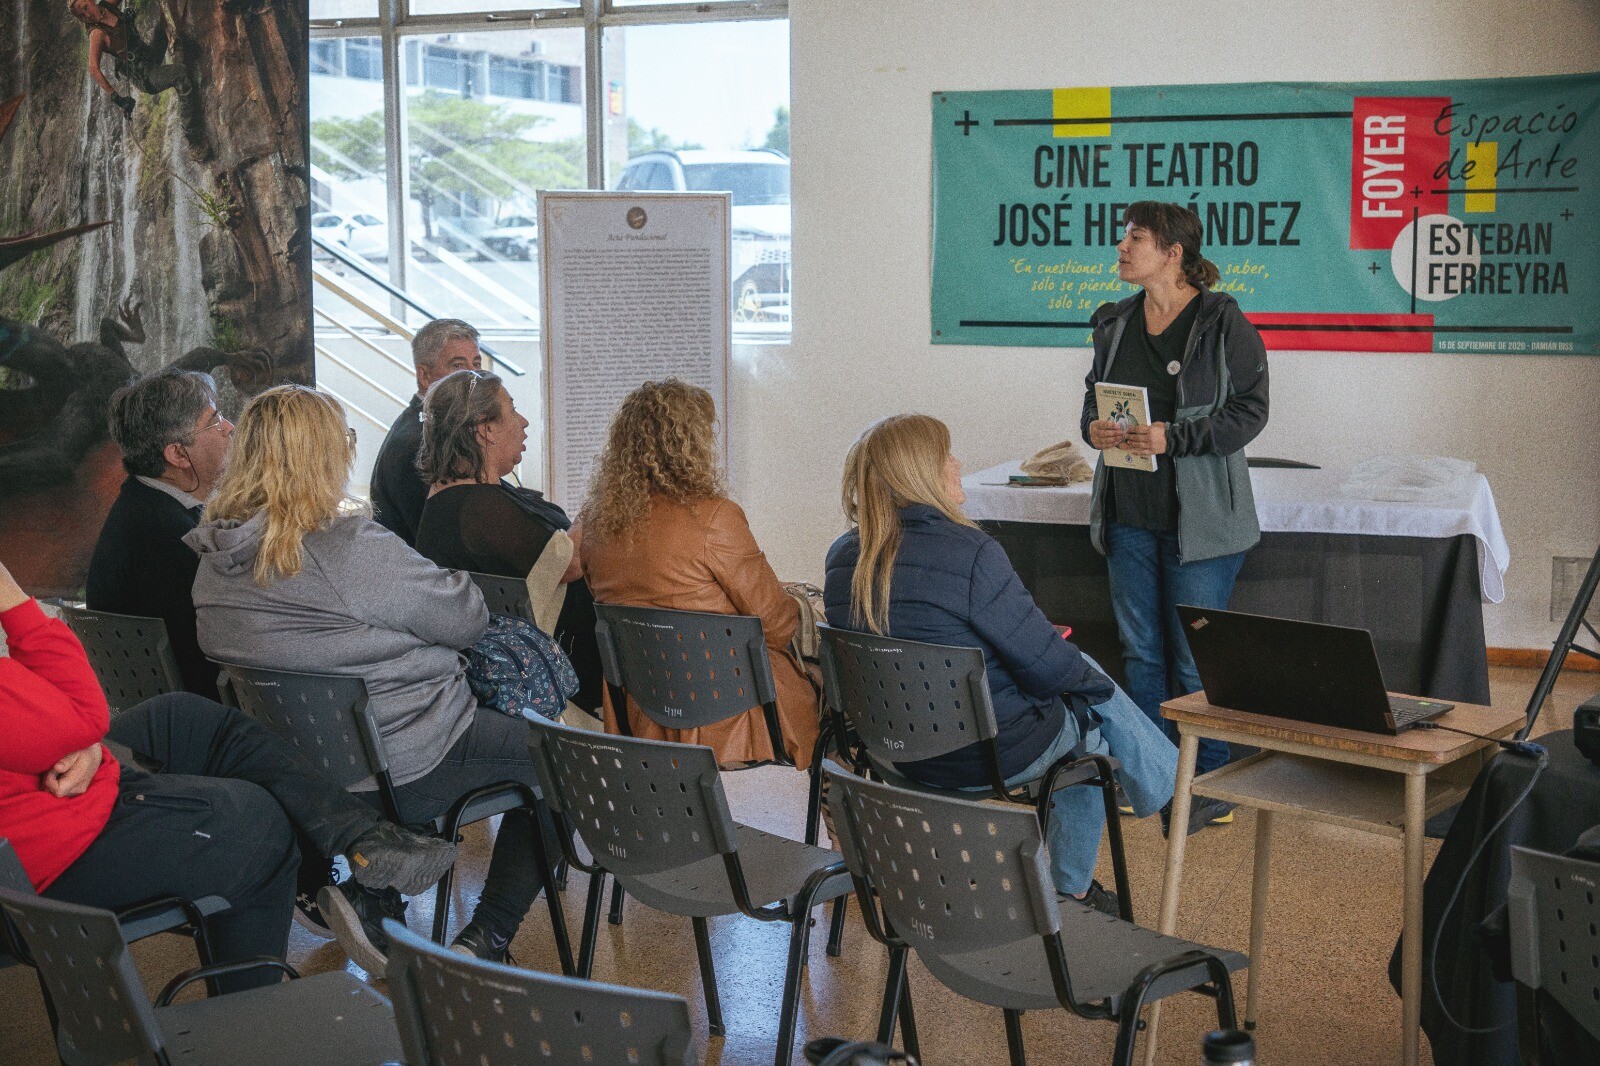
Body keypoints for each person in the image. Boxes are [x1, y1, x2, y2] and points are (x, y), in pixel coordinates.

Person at [186, 385, 553, 968]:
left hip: (304, 773)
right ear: (325, 456)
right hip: (411, 757)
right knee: (569, 762)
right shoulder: (350, 548)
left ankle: (377, 901)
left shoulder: (214, 565)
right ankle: (487, 936)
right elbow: (466, 617)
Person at [0, 554, 457, 991]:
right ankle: (241, 1025)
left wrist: (85, 741)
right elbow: (84, 713)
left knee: (185, 719)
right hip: (37, 862)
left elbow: (65, 720)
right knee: (259, 827)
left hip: (41, 794)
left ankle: (357, 842)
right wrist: (14, 600)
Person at [822, 414, 1178, 913]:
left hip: (892, 752)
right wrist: (1074, 675)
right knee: (1089, 722)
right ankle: (1074, 885)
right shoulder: (972, 553)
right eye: (947, 456)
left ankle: (1167, 784)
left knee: (1081, 677)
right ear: (921, 472)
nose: (958, 464)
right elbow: (1049, 671)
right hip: (986, 756)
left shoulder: (843, 559)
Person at [1080, 202, 1269, 833]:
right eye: (1124, 235)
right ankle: (1154, 775)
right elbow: (1092, 400)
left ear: (1173, 253)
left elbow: (1250, 412)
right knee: (1141, 654)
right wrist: (1095, 427)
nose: (1122, 246)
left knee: (1196, 658)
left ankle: (1209, 785)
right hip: (1129, 512)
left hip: (1203, 521)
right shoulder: (1113, 321)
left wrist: (1175, 439)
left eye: (1135, 237)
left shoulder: (1223, 321)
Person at [579, 378, 821, 769]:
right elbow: (778, 627)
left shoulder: (595, 526)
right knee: (838, 697)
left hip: (645, 714)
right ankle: (842, 818)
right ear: (691, 444)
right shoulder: (714, 517)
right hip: (734, 711)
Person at [412, 369, 602, 712]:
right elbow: (570, 563)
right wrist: (607, 489)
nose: (524, 421)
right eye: (512, 410)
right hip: (549, 675)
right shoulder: (477, 508)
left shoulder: (465, 498)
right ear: (485, 429)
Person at [86, 368, 232, 699]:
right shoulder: (169, 536)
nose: (229, 427)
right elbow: (212, 660)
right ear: (178, 455)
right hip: (200, 723)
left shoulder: (143, 503)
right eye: (215, 420)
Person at [371, 319, 483, 547]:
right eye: (459, 366)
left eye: (477, 364)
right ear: (424, 375)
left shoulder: (440, 428)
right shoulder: (418, 442)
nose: (474, 377)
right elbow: (442, 538)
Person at [70, 0, 192, 120]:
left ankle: (191, 46)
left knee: (165, 19)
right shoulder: (96, 34)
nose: (87, 15)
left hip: (150, 55)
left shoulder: (107, 5)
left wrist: (128, 20)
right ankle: (192, 132)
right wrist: (117, 99)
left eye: (85, 7)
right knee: (180, 73)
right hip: (145, 77)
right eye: (81, 15)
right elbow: (93, 68)